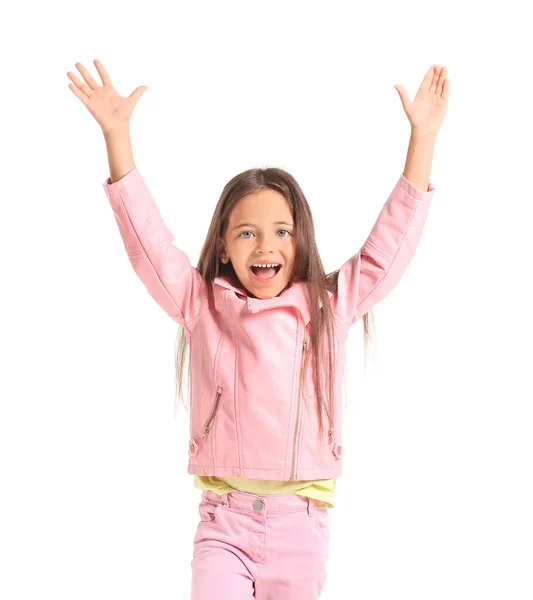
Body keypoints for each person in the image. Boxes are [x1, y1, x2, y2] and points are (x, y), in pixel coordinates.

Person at [67, 59, 449, 599]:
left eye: (280, 232)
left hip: (302, 526)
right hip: (225, 524)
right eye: (246, 233)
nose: (265, 246)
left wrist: (424, 139)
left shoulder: (330, 306)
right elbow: (147, 243)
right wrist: (117, 138)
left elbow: (388, 249)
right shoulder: (200, 304)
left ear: (301, 241)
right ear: (224, 245)